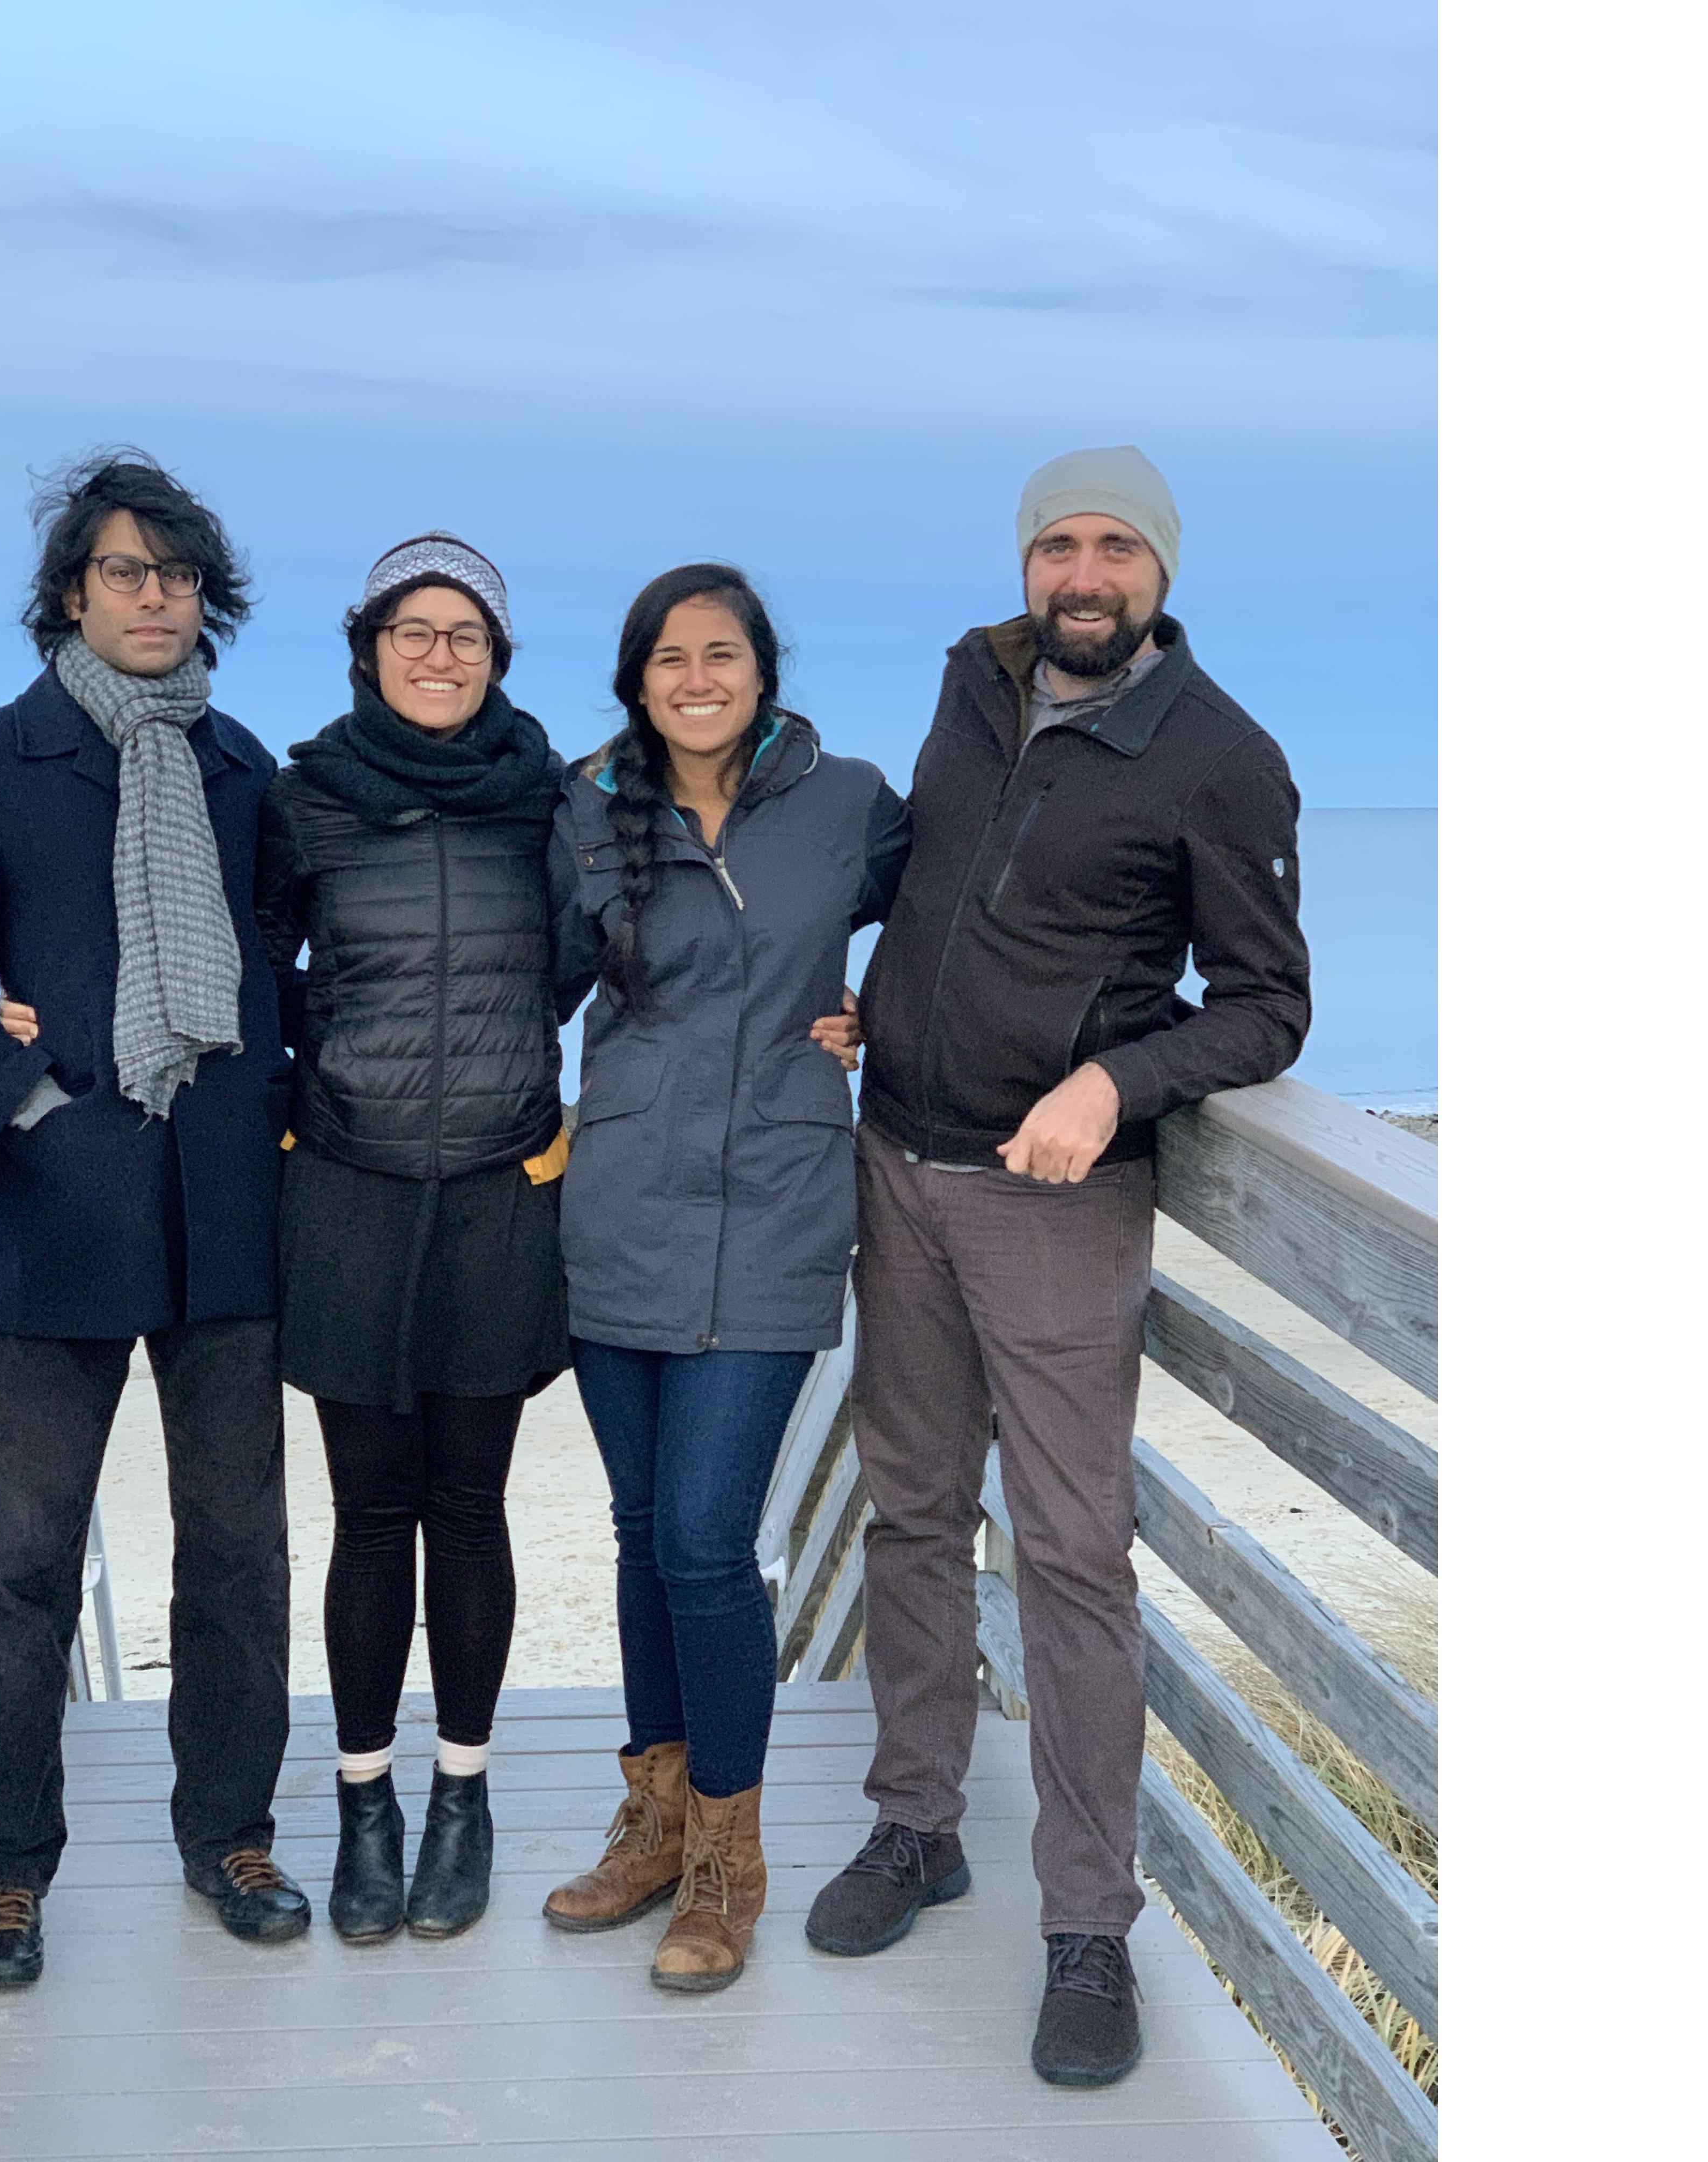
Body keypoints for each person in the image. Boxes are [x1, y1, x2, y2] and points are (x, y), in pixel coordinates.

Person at [807, 447, 1311, 2086]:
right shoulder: (973, 688)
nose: (1081, 574)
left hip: (1056, 1202)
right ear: (1025, 562)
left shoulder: (1223, 759)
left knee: (1079, 1559)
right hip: (902, 1162)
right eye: (1055, 546)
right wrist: (859, 1005)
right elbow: (927, 894)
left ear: (1161, 567)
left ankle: (1089, 1926)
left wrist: (1111, 1082)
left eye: (1113, 548)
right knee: (912, 1513)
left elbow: (1265, 1003)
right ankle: (916, 1826)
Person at [0, 452, 310, 1988]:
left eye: (180, 575)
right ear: (73, 589)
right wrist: (40, 1111)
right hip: (60, 1214)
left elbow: (284, 981)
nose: (156, 598)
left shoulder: (247, 769)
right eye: (128, 571)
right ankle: (6, 1872)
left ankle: (232, 1836)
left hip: (227, 1221)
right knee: (22, 1564)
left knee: (238, 1553)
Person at [543, 565, 910, 1993]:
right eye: (669, 659)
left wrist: (886, 1010)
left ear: (763, 669)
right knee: (643, 1534)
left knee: (705, 1538)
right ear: (638, 681)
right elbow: (517, 981)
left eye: (723, 654)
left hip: (774, 1209)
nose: (698, 677)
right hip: (620, 1204)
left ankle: (725, 1857)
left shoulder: (850, 802)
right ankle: (651, 1818)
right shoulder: (586, 812)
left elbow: (947, 928)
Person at [269, 532, 568, 1946]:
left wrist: (842, 1017)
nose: (439, 652)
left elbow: (634, 954)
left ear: (498, 658)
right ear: (370, 648)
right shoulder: (307, 796)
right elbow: (244, 965)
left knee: (472, 1505)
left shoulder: (553, 805)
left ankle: (464, 1796)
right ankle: (365, 1806)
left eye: (466, 633)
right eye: (413, 630)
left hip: (500, 1201)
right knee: (368, 1510)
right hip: (348, 1194)